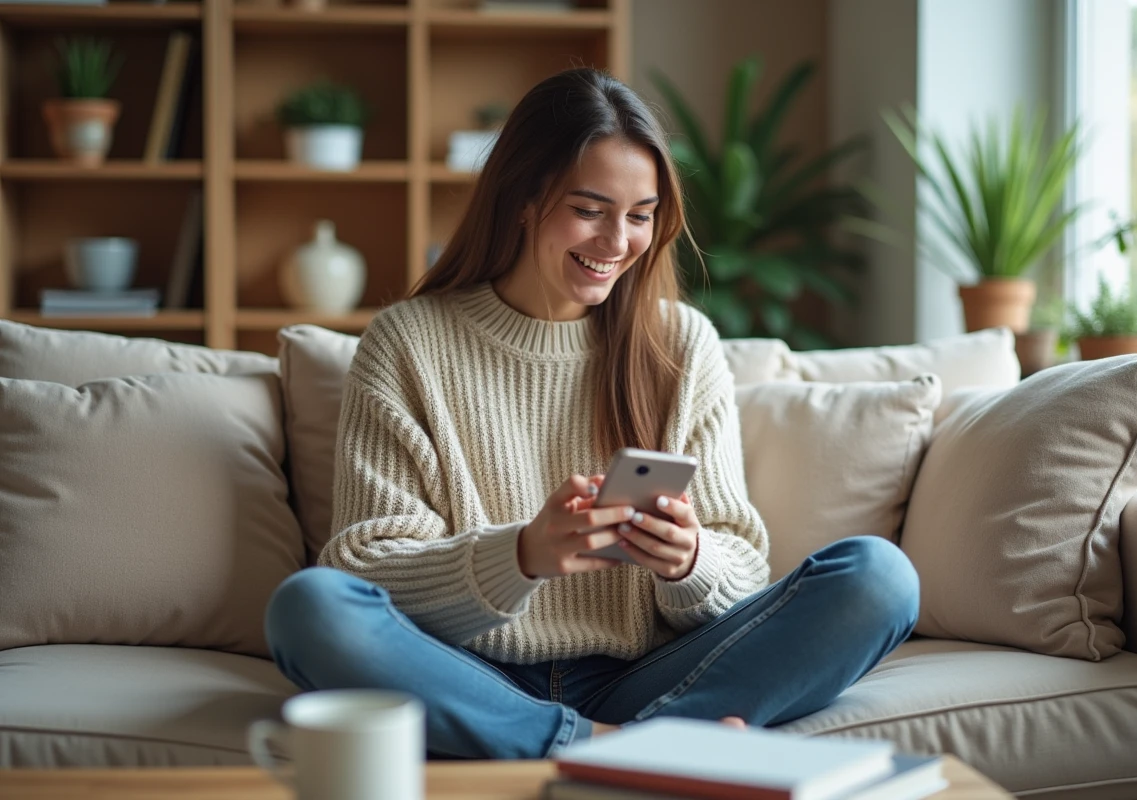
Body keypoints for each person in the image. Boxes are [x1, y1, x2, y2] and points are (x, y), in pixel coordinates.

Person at [264, 67, 919, 760]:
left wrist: (690, 560)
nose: (617, 242)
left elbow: (742, 564)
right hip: (469, 673)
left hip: (644, 673)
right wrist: (520, 556)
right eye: (589, 209)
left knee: (879, 578)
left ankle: (583, 743)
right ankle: (632, 749)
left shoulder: (680, 344)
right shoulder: (407, 342)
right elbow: (365, 567)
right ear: (524, 197)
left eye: (640, 215)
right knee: (309, 609)